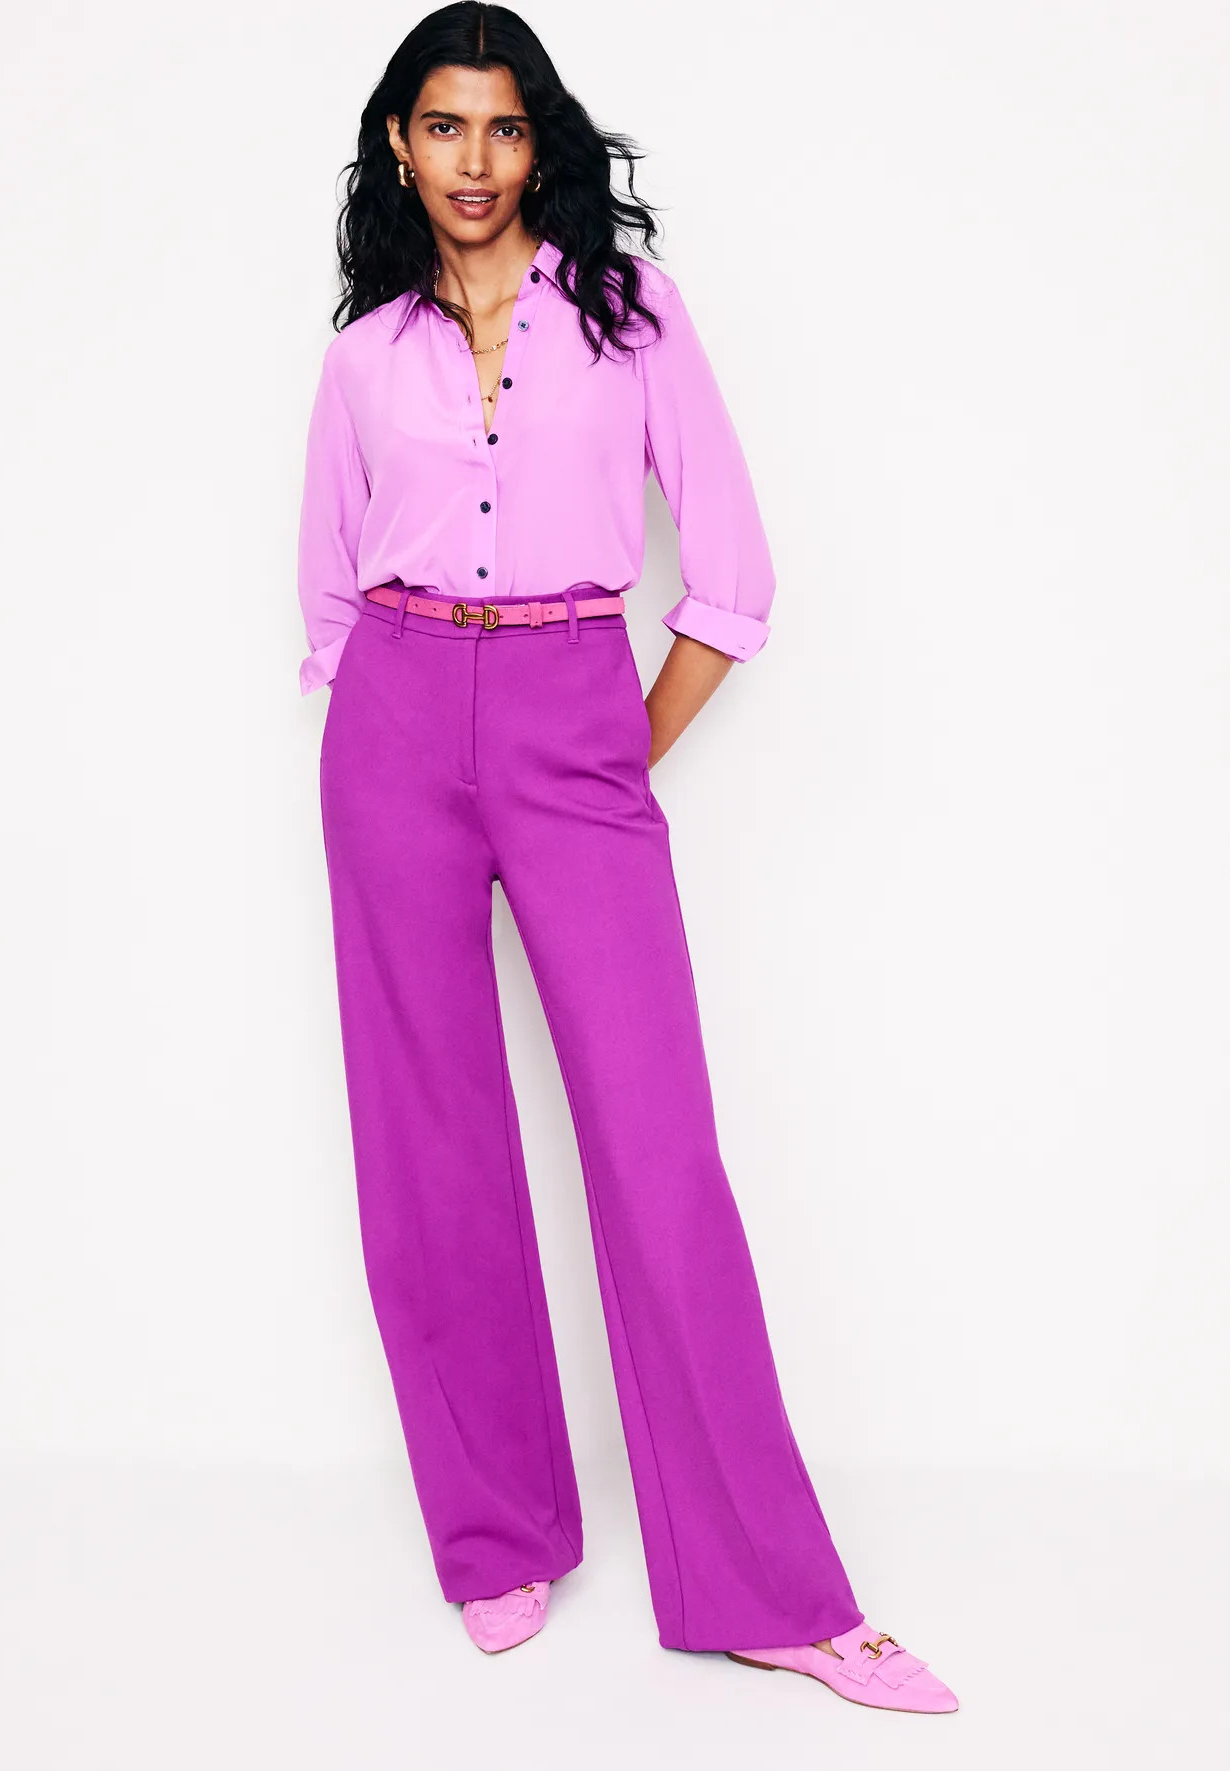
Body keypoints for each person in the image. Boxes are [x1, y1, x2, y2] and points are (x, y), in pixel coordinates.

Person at [296, 4, 957, 1715]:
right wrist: (406, 727)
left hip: (571, 699)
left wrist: (605, 754)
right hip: (390, 716)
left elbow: (730, 580)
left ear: (542, 144)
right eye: (443, 126)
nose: (473, 160)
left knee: (658, 1155)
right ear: (398, 146)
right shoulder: (364, 355)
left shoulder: (628, 313)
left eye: (503, 127)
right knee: (430, 1146)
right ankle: (496, 1535)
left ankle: (771, 1593)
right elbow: (327, 595)